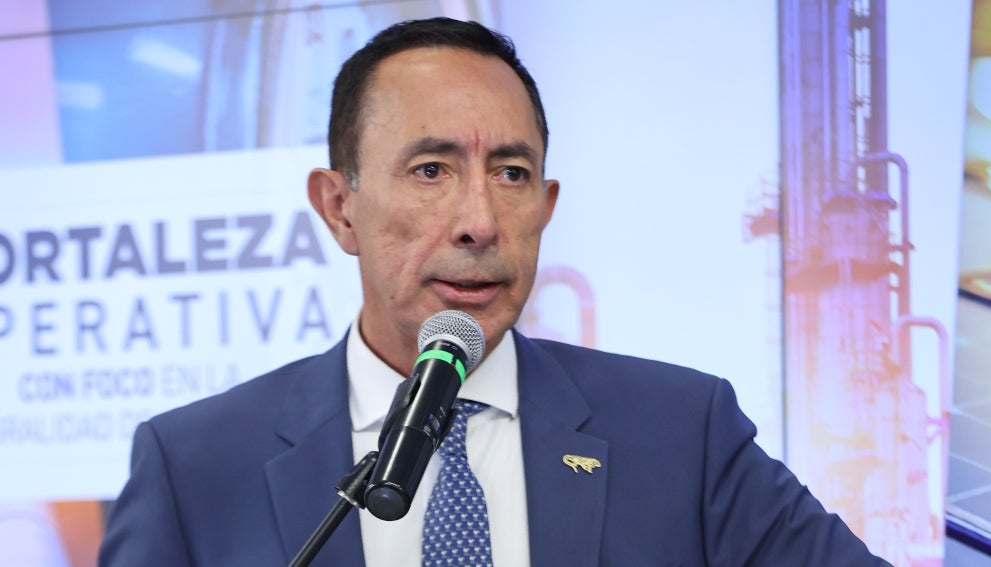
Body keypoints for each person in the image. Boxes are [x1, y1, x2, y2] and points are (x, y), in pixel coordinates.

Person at [98, 17, 888, 566]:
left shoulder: (684, 432)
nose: (479, 221)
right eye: (431, 170)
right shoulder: (194, 466)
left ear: (545, 206)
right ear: (339, 207)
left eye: (511, 173)